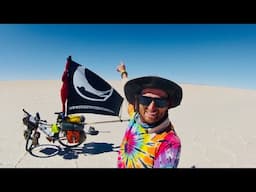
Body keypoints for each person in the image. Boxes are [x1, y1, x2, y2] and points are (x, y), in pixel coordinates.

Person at [116, 62, 183, 168]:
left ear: (168, 105)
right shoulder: (135, 115)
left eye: (160, 102)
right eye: (145, 99)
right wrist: (123, 72)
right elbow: (125, 86)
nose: (151, 107)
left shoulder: (169, 143)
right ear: (137, 101)